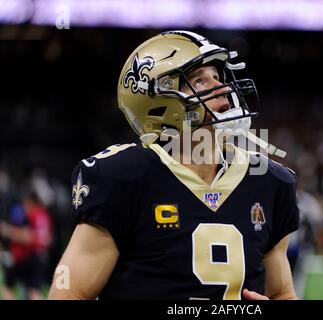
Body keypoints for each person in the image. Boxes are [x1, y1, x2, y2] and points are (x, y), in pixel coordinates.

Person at [48, 30, 300, 300]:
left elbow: (282, 292)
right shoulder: (124, 177)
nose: (224, 88)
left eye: (217, 77)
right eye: (199, 81)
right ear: (158, 98)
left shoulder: (269, 181)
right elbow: (69, 293)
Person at [0, 192, 53, 299]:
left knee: (7, 287)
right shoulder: (45, 216)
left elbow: (29, 236)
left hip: (28, 256)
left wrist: (7, 231)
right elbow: (48, 239)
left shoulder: (32, 215)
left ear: (31, 203)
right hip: (41, 257)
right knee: (33, 291)